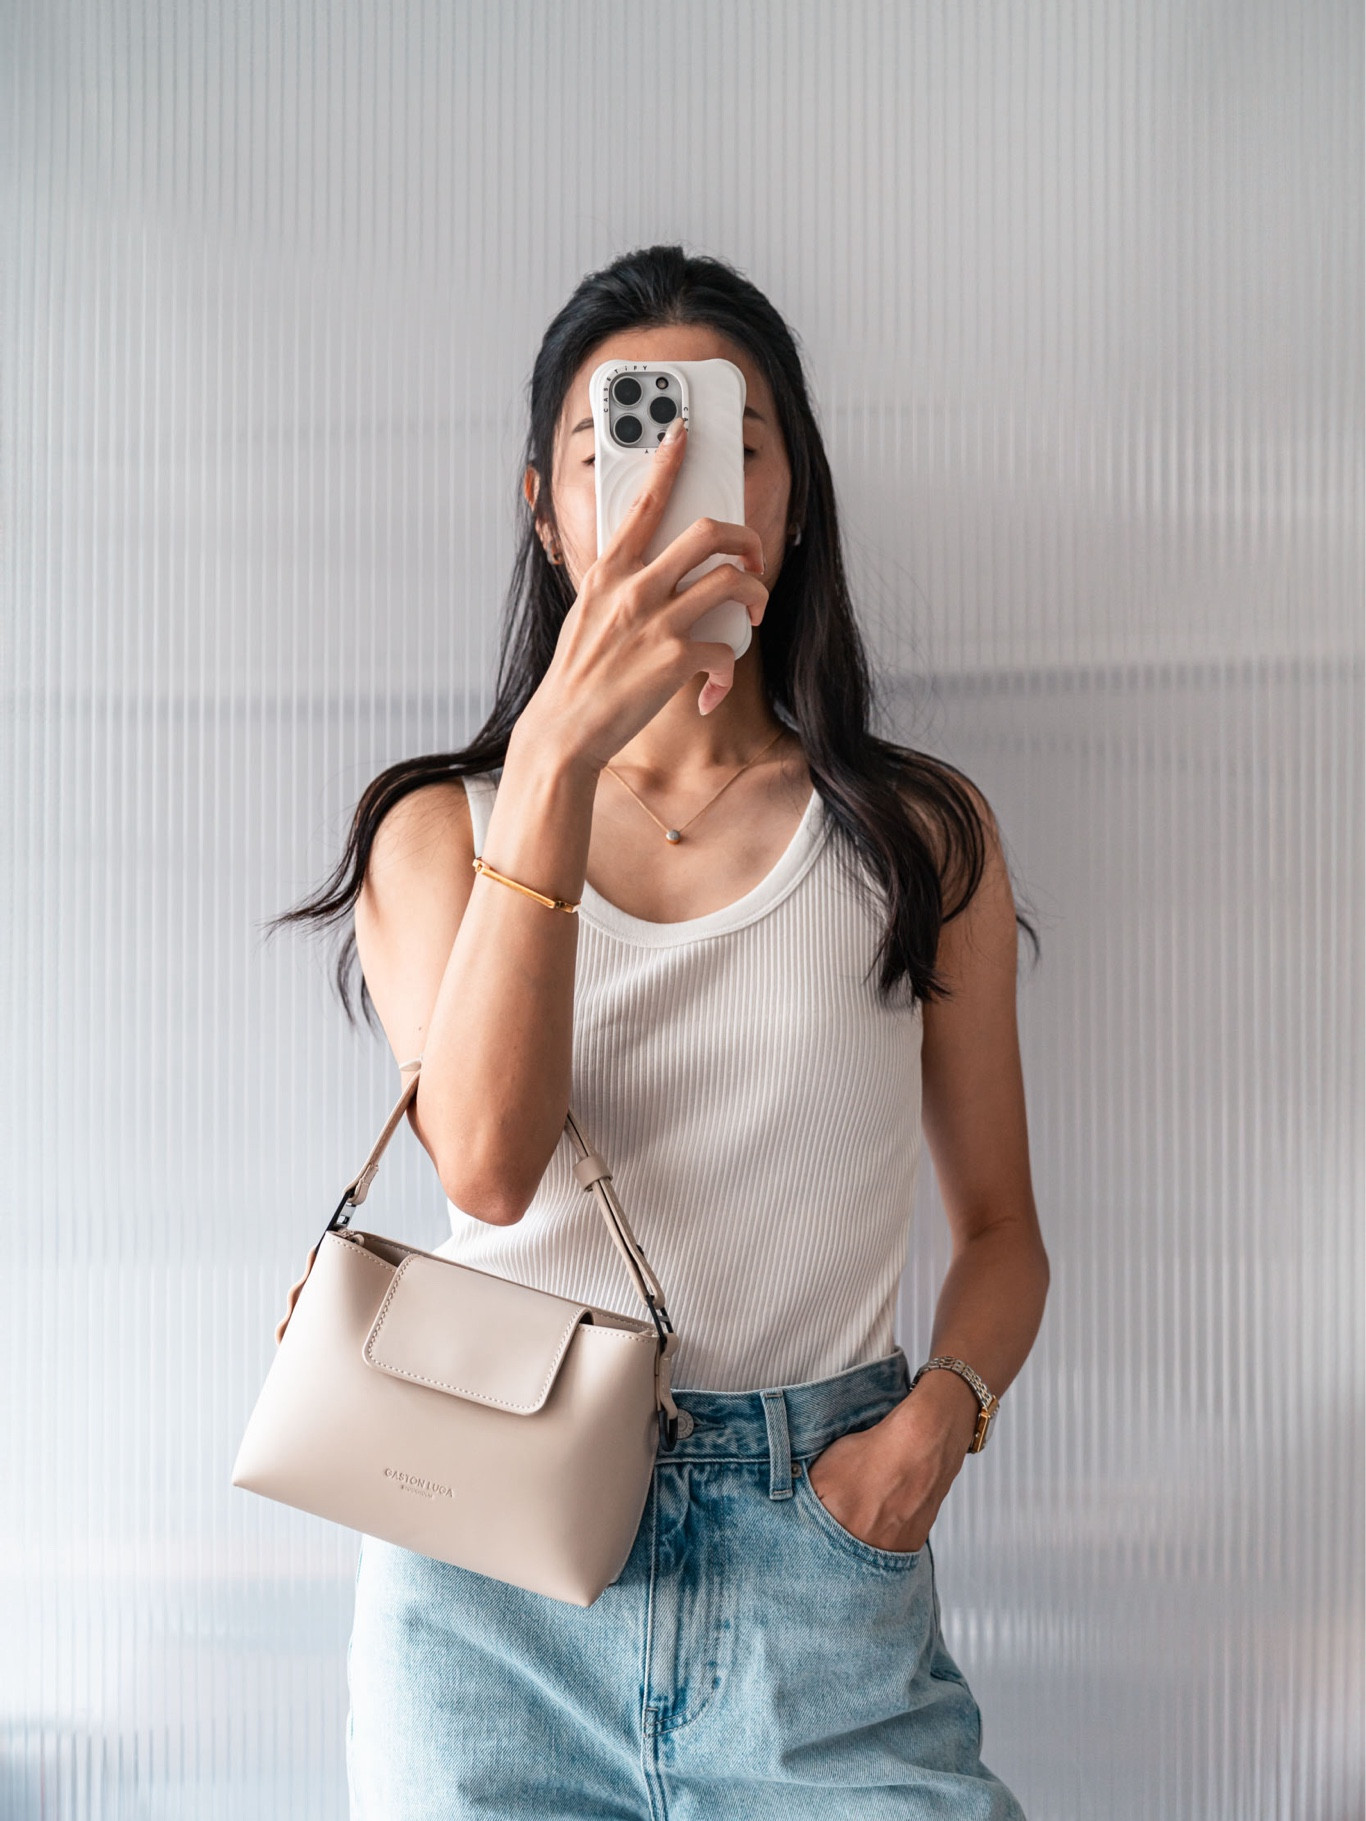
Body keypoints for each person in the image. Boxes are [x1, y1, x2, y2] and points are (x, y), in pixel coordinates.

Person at [271, 244, 1050, 1818]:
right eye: (621, 440)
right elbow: (489, 1171)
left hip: (819, 1560)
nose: (680, 482)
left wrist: (929, 1434)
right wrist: (557, 755)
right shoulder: (439, 831)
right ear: (547, 513)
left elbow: (1000, 1234)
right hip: (491, 1580)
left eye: (734, 439)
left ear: (795, 498)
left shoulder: (916, 835)